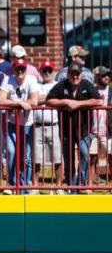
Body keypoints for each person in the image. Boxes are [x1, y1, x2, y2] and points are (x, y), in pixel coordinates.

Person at [46, 62, 102, 192]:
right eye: (72, 74)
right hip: (66, 130)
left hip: (84, 129)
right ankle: (72, 186)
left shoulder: (87, 85)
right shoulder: (62, 85)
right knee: (68, 158)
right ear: (68, 74)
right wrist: (66, 101)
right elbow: (49, 100)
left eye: (77, 74)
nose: (75, 76)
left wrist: (78, 104)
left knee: (84, 154)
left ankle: (82, 183)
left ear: (81, 74)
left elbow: (98, 100)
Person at [0, 60, 40, 193]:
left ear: (26, 69)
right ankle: (11, 184)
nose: (20, 71)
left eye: (22, 68)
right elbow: (0, 100)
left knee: (26, 156)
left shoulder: (32, 80)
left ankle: (24, 185)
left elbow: (35, 100)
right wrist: (20, 104)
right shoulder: (7, 79)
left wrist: (12, 103)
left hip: (28, 123)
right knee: (11, 152)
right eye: (17, 69)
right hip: (12, 123)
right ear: (14, 70)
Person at [31, 60, 62, 190]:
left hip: (54, 125)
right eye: (45, 71)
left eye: (49, 70)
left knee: (57, 158)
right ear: (41, 72)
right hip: (38, 125)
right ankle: (35, 186)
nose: (47, 73)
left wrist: (44, 99)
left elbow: (58, 100)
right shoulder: (36, 85)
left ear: (53, 72)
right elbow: (34, 101)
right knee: (36, 158)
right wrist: (49, 99)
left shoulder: (58, 85)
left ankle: (59, 186)